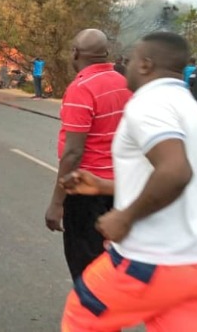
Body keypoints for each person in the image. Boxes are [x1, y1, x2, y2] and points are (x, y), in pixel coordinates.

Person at [60, 31, 197, 331]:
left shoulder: (149, 103)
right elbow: (170, 176)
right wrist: (103, 186)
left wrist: (125, 216)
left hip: (151, 261)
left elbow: (175, 172)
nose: (127, 65)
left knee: (83, 314)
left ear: (146, 64)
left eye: (133, 59)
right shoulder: (186, 105)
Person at [44, 29, 132, 280]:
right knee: (115, 263)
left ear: (75, 52)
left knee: (87, 269)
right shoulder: (125, 84)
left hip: (88, 191)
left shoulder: (81, 88)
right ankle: (112, 315)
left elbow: (73, 152)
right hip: (121, 188)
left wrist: (57, 203)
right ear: (106, 54)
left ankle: (95, 316)